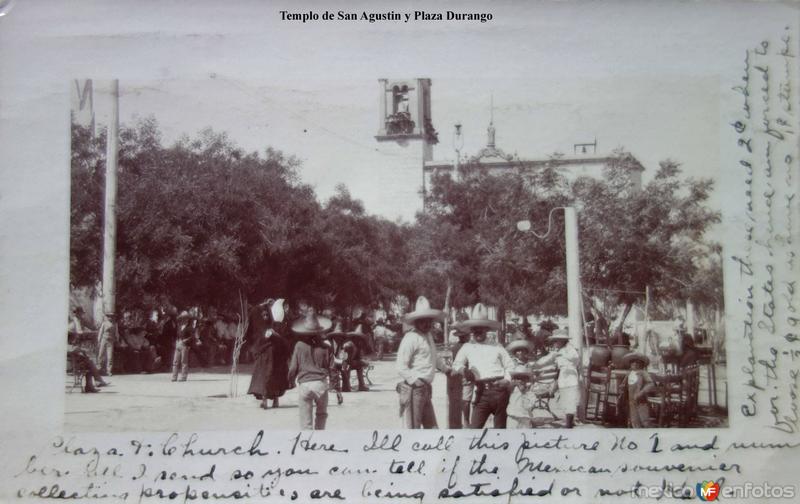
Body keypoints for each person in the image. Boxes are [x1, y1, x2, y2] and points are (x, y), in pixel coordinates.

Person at [451, 303, 515, 429]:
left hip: (499, 391)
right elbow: (456, 364)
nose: (478, 331)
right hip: (481, 393)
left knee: (500, 432)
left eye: (481, 328)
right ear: (471, 330)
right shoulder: (467, 347)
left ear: (486, 329)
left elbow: (510, 366)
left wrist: (507, 380)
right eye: (475, 328)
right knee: (474, 429)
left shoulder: (497, 346)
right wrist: (464, 370)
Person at [396, 296, 446, 429]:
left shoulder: (428, 336)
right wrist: (414, 380)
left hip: (426, 389)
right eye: (423, 321)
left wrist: (446, 369)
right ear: (416, 322)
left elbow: (435, 358)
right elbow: (401, 366)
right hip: (415, 389)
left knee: (432, 428)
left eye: (429, 321)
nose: (427, 324)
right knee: (413, 428)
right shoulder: (411, 338)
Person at [288, 311, 333, 430]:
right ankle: (319, 440)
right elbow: (331, 367)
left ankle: (307, 442)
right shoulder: (326, 347)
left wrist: (291, 381)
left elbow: (293, 368)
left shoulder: (299, 345)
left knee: (305, 421)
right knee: (321, 415)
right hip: (321, 384)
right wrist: (334, 385)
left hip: (305, 385)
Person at [531, 329, 580, 428]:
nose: (555, 343)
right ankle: (569, 422)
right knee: (566, 401)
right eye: (554, 341)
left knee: (570, 401)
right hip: (563, 378)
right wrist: (535, 365)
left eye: (556, 341)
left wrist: (562, 355)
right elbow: (547, 361)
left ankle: (569, 424)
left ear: (562, 341)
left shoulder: (570, 349)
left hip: (570, 378)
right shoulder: (558, 351)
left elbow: (575, 358)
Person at [247, 311, 290, 409]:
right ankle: (264, 401)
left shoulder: (276, 327)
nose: (265, 317)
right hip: (263, 358)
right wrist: (265, 337)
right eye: (263, 315)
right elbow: (256, 343)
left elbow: (284, 343)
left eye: (267, 315)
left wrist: (275, 335)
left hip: (275, 358)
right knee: (264, 379)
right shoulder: (258, 328)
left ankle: (276, 400)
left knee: (275, 378)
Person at [505, 339, 538, 428]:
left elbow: (533, 380)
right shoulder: (512, 364)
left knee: (526, 417)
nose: (519, 353)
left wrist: (528, 384)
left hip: (527, 392)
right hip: (515, 392)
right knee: (514, 417)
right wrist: (516, 383)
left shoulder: (529, 365)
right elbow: (508, 381)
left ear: (526, 352)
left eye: (522, 350)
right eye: (517, 351)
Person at [446, 329, 474, 428]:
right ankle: (466, 421)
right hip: (465, 375)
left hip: (455, 377)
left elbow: (450, 363)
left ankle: (456, 423)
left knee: (457, 401)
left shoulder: (454, 348)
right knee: (466, 400)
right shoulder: (470, 348)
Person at [620, 352, 655, 428]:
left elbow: (650, 384)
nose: (635, 364)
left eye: (637, 362)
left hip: (641, 401)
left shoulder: (643, 373)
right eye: (633, 362)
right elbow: (624, 383)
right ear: (630, 363)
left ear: (641, 364)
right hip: (631, 400)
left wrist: (641, 392)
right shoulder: (629, 373)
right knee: (634, 420)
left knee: (644, 420)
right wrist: (622, 387)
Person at [171, 311, 194, 382]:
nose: (184, 320)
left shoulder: (190, 327)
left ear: (187, 319)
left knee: (184, 361)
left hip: (184, 344)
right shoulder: (179, 326)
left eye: (185, 318)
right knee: (175, 361)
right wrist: (176, 341)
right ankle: (174, 377)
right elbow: (176, 335)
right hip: (178, 343)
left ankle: (183, 377)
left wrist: (185, 341)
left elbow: (192, 337)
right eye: (183, 318)